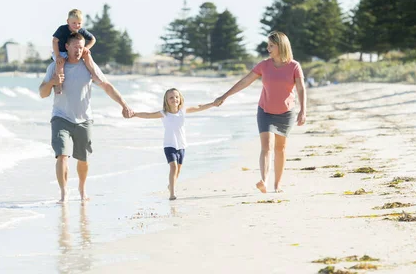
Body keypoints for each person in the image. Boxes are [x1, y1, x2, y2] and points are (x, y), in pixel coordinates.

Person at [39, 32, 134, 203]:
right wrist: (53, 82)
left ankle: (82, 188)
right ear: (66, 47)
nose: (78, 50)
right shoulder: (55, 66)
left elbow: (106, 85)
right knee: (62, 155)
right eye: (75, 47)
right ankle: (63, 193)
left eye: (81, 47)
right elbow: (42, 93)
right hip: (60, 117)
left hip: (84, 119)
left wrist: (124, 105)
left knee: (83, 159)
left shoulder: (89, 66)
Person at [214, 31, 306, 193]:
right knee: (266, 146)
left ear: (281, 46)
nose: (268, 48)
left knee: (280, 148)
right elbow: (245, 81)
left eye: (271, 45)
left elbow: (300, 88)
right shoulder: (264, 65)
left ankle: (277, 185)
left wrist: (303, 110)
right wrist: (225, 95)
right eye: (268, 45)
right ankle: (264, 180)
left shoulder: (294, 66)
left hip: (286, 113)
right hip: (265, 111)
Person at [129, 88, 218, 200]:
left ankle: (170, 186)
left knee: (178, 170)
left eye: (176, 97)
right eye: (171, 97)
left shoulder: (183, 111)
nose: (174, 99)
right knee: (173, 167)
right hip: (169, 144)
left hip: (181, 145)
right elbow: (148, 115)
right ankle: (172, 194)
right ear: (166, 100)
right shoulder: (164, 113)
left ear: (180, 98)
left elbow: (199, 107)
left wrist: (213, 104)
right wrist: (135, 114)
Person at [52, 9, 98, 94]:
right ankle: (58, 85)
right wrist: (57, 55)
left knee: (87, 55)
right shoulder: (62, 29)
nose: (76, 25)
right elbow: (54, 41)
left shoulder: (81, 31)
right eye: (74, 23)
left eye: (79, 23)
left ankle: (94, 76)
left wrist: (86, 48)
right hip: (61, 51)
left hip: (75, 51)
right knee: (60, 62)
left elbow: (93, 39)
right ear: (68, 21)